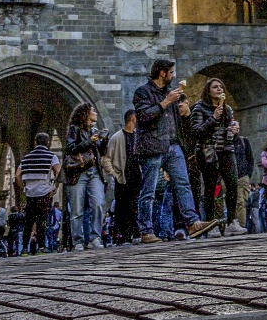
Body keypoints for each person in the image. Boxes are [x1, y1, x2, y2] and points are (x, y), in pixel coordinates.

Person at [130, 60, 198, 242]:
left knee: (183, 184)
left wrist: (184, 112)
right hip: (152, 146)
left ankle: (192, 222)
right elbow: (143, 117)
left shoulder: (171, 93)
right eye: (171, 72)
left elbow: (177, 122)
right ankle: (146, 230)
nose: (174, 76)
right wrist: (166, 102)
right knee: (149, 190)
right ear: (162, 73)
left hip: (172, 144)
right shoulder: (143, 92)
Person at [189, 79, 238, 229]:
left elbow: (229, 132)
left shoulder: (227, 109)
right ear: (208, 90)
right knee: (210, 187)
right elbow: (196, 131)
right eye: (215, 87)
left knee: (232, 185)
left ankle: (231, 221)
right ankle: (210, 224)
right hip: (207, 151)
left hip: (226, 150)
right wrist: (213, 117)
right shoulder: (199, 108)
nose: (218, 89)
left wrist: (234, 131)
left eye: (220, 87)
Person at [64, 102, 106, 250]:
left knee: (99, 203)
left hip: (94, 171)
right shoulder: (74, 130)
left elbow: (101, 152)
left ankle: (95, 237)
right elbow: (70, 148)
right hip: (78, 172)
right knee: (77, 209)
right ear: (85, 114)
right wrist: (90, 141)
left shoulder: (94, 130)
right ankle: (78, 240)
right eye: (92, 110)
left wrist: (103, 140)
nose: (95, 112)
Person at [19, 133, 61, 254]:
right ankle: (42, 247)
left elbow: (17, 174)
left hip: (30, 193)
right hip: (44, 192)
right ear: (47, 142)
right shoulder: (51, 156)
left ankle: (25, 248)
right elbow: (58, 171)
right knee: (42, 219)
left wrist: (23, 187)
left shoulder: (26, 158)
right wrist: (55, 186)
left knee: (29, 221)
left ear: (35, 142)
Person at [106, 110, 136, 243]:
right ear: (132, 119)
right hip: (122, 178)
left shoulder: (137, 136)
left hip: (136, 177)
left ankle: (133, 233)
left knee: (134, 206)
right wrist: (114, 174)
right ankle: (122, 236)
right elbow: (106, 158)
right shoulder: (117, 137)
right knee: (121, 207)